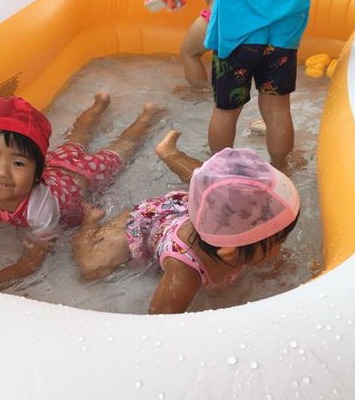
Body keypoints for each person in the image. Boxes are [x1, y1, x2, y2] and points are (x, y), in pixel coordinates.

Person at [0, 94, 163, 291]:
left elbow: (32, 262)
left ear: (37, 170)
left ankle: (147, 115)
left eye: (18, 163)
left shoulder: (40, 207)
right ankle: (99, 104)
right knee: (77, 134)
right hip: (57, 162)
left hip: (85, 175)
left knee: (121, 148)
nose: (2, 172)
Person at [73, 132, 300, 315]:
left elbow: (277, 265)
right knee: (91, 267)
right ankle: (90, 220)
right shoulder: (185, 272)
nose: (282, 248)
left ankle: (170, 153)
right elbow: (160, 321)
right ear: (231, 252)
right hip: (145, 222)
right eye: (280, 240)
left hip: (192, 209)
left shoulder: (241, 239)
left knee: (223, 185)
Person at [205, 0, 329, 169]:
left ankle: (219, 175)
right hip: (285, 30)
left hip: (237, 29)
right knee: (278, 110)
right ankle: (281, 172)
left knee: (226, 110)